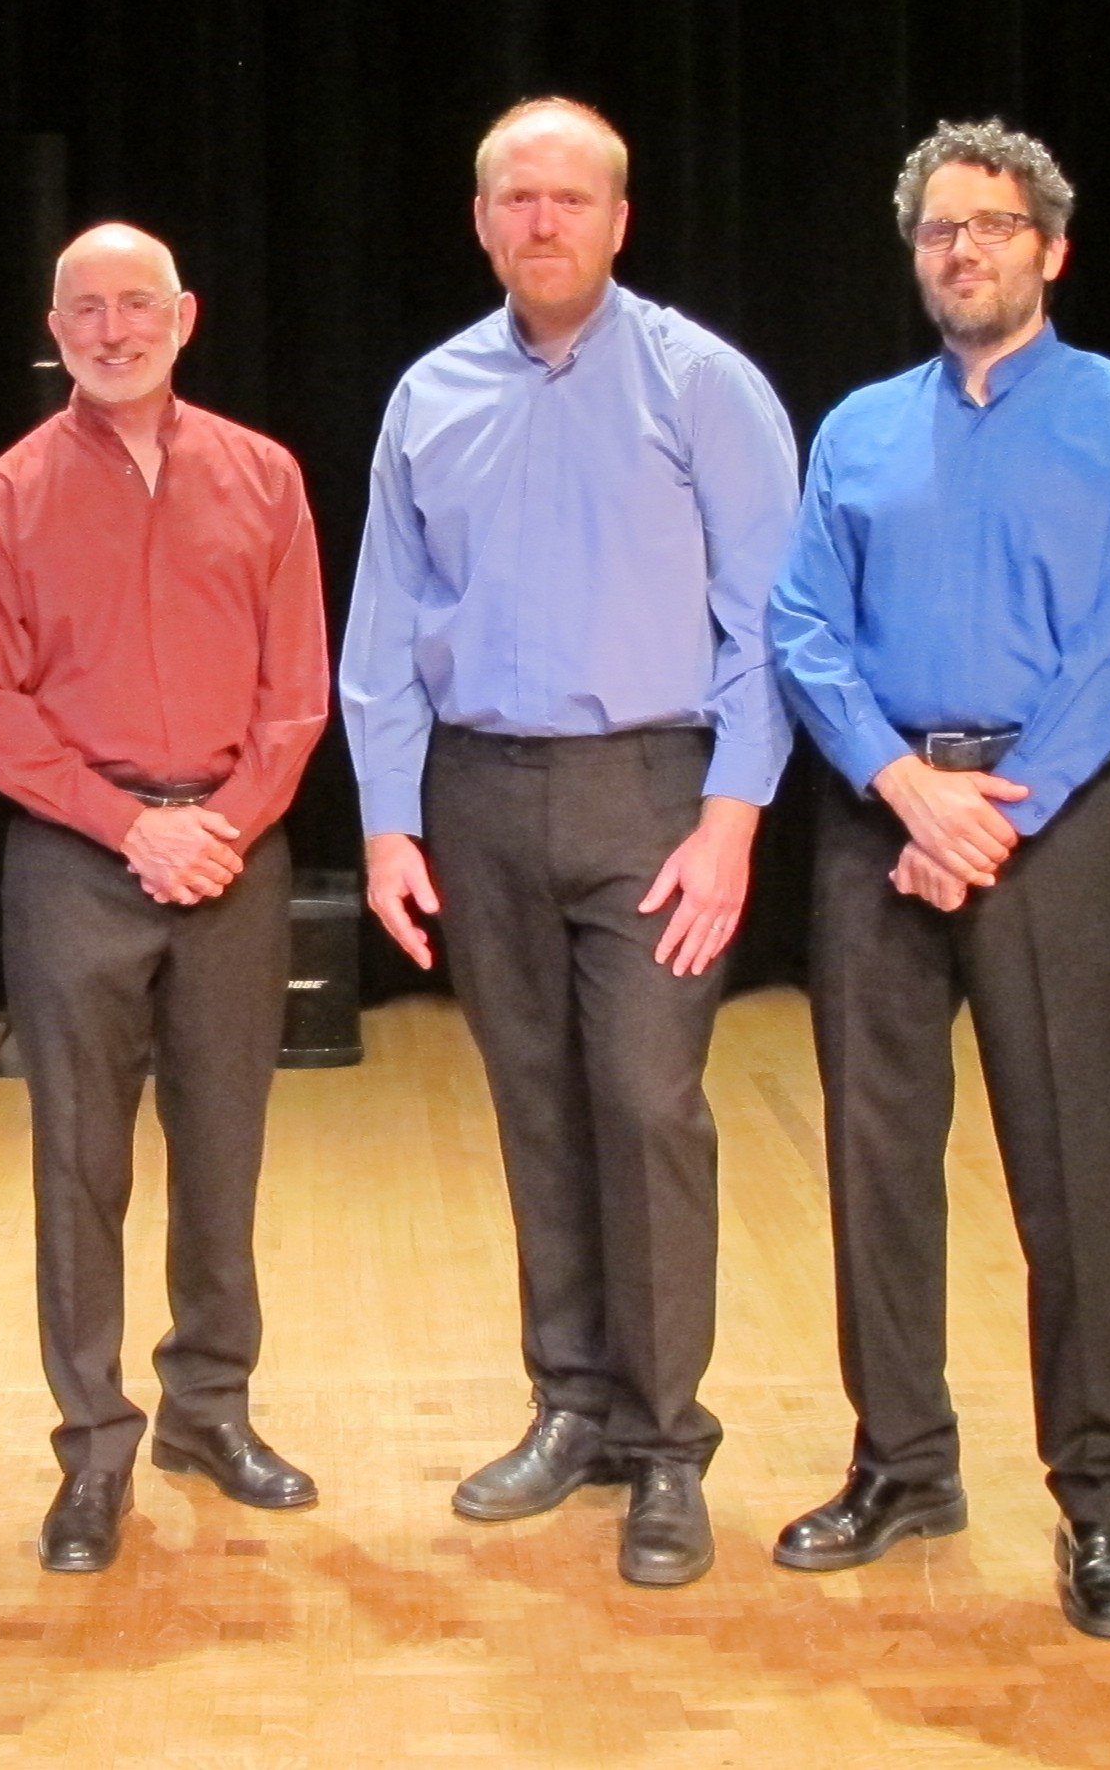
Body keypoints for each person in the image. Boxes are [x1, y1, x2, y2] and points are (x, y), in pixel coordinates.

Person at [343, 97, 797, 1587]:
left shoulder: (702, 383)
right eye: (516, 198)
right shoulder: (429, 396)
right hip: (478, 795)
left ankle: (667, 1446)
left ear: (619, 220)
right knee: (535, 1106)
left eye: (570, 198)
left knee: (647, 1106)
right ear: (481, 221)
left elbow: (770, 622)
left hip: (651, 795)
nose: (542, 221)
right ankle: (571, 1405)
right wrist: (390, 821)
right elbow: (383, 626)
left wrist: (731, 820)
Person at [766, 119, 1110, 1636]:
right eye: (940, 229)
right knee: (876, 1162)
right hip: (881, 818)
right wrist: (900, 786)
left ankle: (1099, 1501)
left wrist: (992, 817)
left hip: (1048, 822)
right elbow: (802, 624)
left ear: (1050, 248)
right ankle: (902, 1461)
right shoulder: (859, 426)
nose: (964, 250)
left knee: (1067, 1171)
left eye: (994, 225)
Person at [0, 223, 331, 1573]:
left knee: (222, 1151)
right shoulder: (2, 498)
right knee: (78, 1164)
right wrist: (128, 828)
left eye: (136, 305)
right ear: (55, 328)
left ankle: (208, 1411)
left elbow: (297, 689)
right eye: (86, 309)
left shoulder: (265, 478)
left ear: (185, 316)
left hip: (230, 850)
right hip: (75, 858)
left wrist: (219, 827)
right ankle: (93, 1448)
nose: (112, 330)